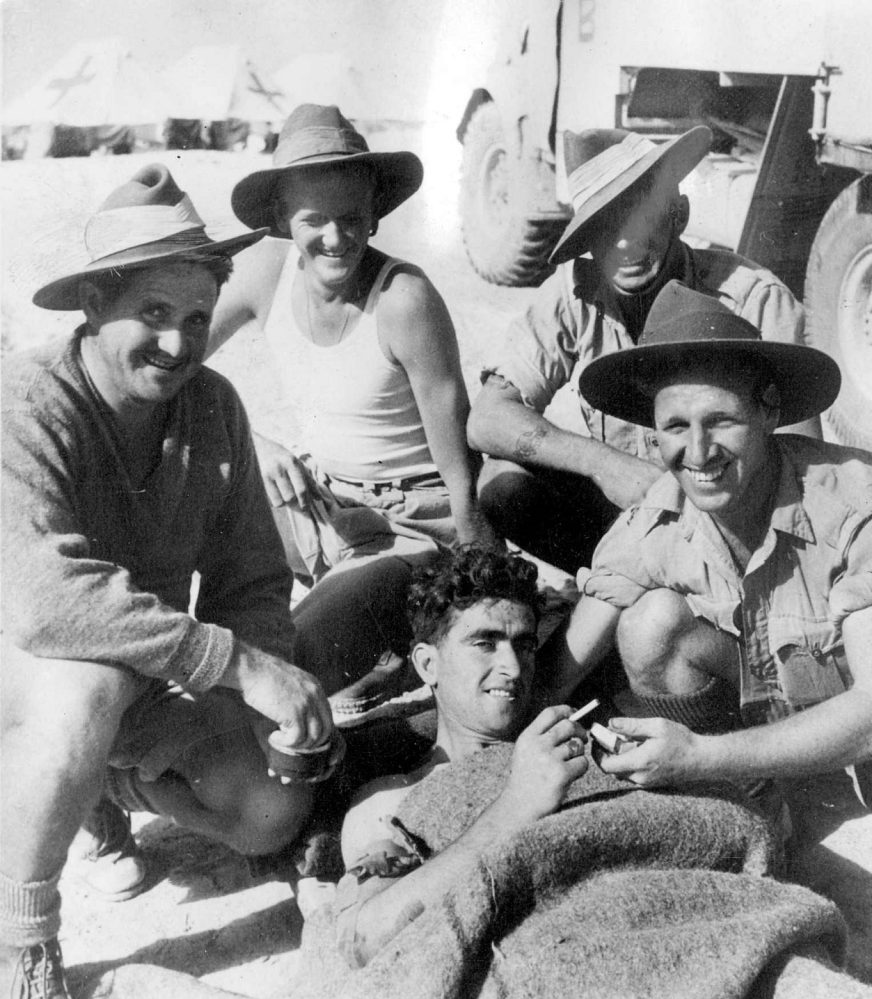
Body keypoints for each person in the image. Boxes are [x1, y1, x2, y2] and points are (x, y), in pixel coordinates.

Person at [0, 164, 338, 999]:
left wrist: (264, 696)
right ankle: (20, 946)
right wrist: (235, 665)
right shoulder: (27, 402)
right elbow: (45, 603)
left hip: (137, 673)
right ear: (93, 304)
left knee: (270, 809)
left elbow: (251, 578)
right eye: (152, 313)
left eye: (195, 318)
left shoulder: (212, 407)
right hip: (27, 675)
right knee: (86, 686)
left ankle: (94, 792)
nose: (178, 345)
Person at [541, 281, 872, 802]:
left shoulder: (856, 504)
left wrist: (698, 756)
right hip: (771, 741)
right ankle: (747, 803)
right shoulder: (655, 520)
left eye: (721, 421)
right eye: (676, 426)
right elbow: (556, 678)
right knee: (650, 624)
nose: (698, 452)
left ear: (768, 412)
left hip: (861, 741)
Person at [467, 125, 818, 573]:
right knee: (503, 483)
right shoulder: (576, 292)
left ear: (679, 216)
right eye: (602, 226)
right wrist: (603, 464)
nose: (623, 243)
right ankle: (622, 583)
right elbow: (487, 418)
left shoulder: (753, 299)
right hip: (632, 515)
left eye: (641, 218)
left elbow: (803, 464)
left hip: (732, 524)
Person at [209, 103, 497, 579]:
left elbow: (461, 477)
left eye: (351, 218)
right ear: (281, 217)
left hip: (410, 519)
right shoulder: (264, 274)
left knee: (323, 621)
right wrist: (254, 444)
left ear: (374, 214)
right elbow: (175, 363)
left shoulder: (404, 298)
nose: (335, 238)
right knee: (198, 485)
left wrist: (480, 582)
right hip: (322, 500)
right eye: (313, 220)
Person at [334, 546, 588, 967]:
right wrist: (516, 807)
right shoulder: (390, 803)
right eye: (485, 643)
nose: (513, 667)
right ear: (427, 664)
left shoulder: (566, 747)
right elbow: (363, 940)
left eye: (525, 645)